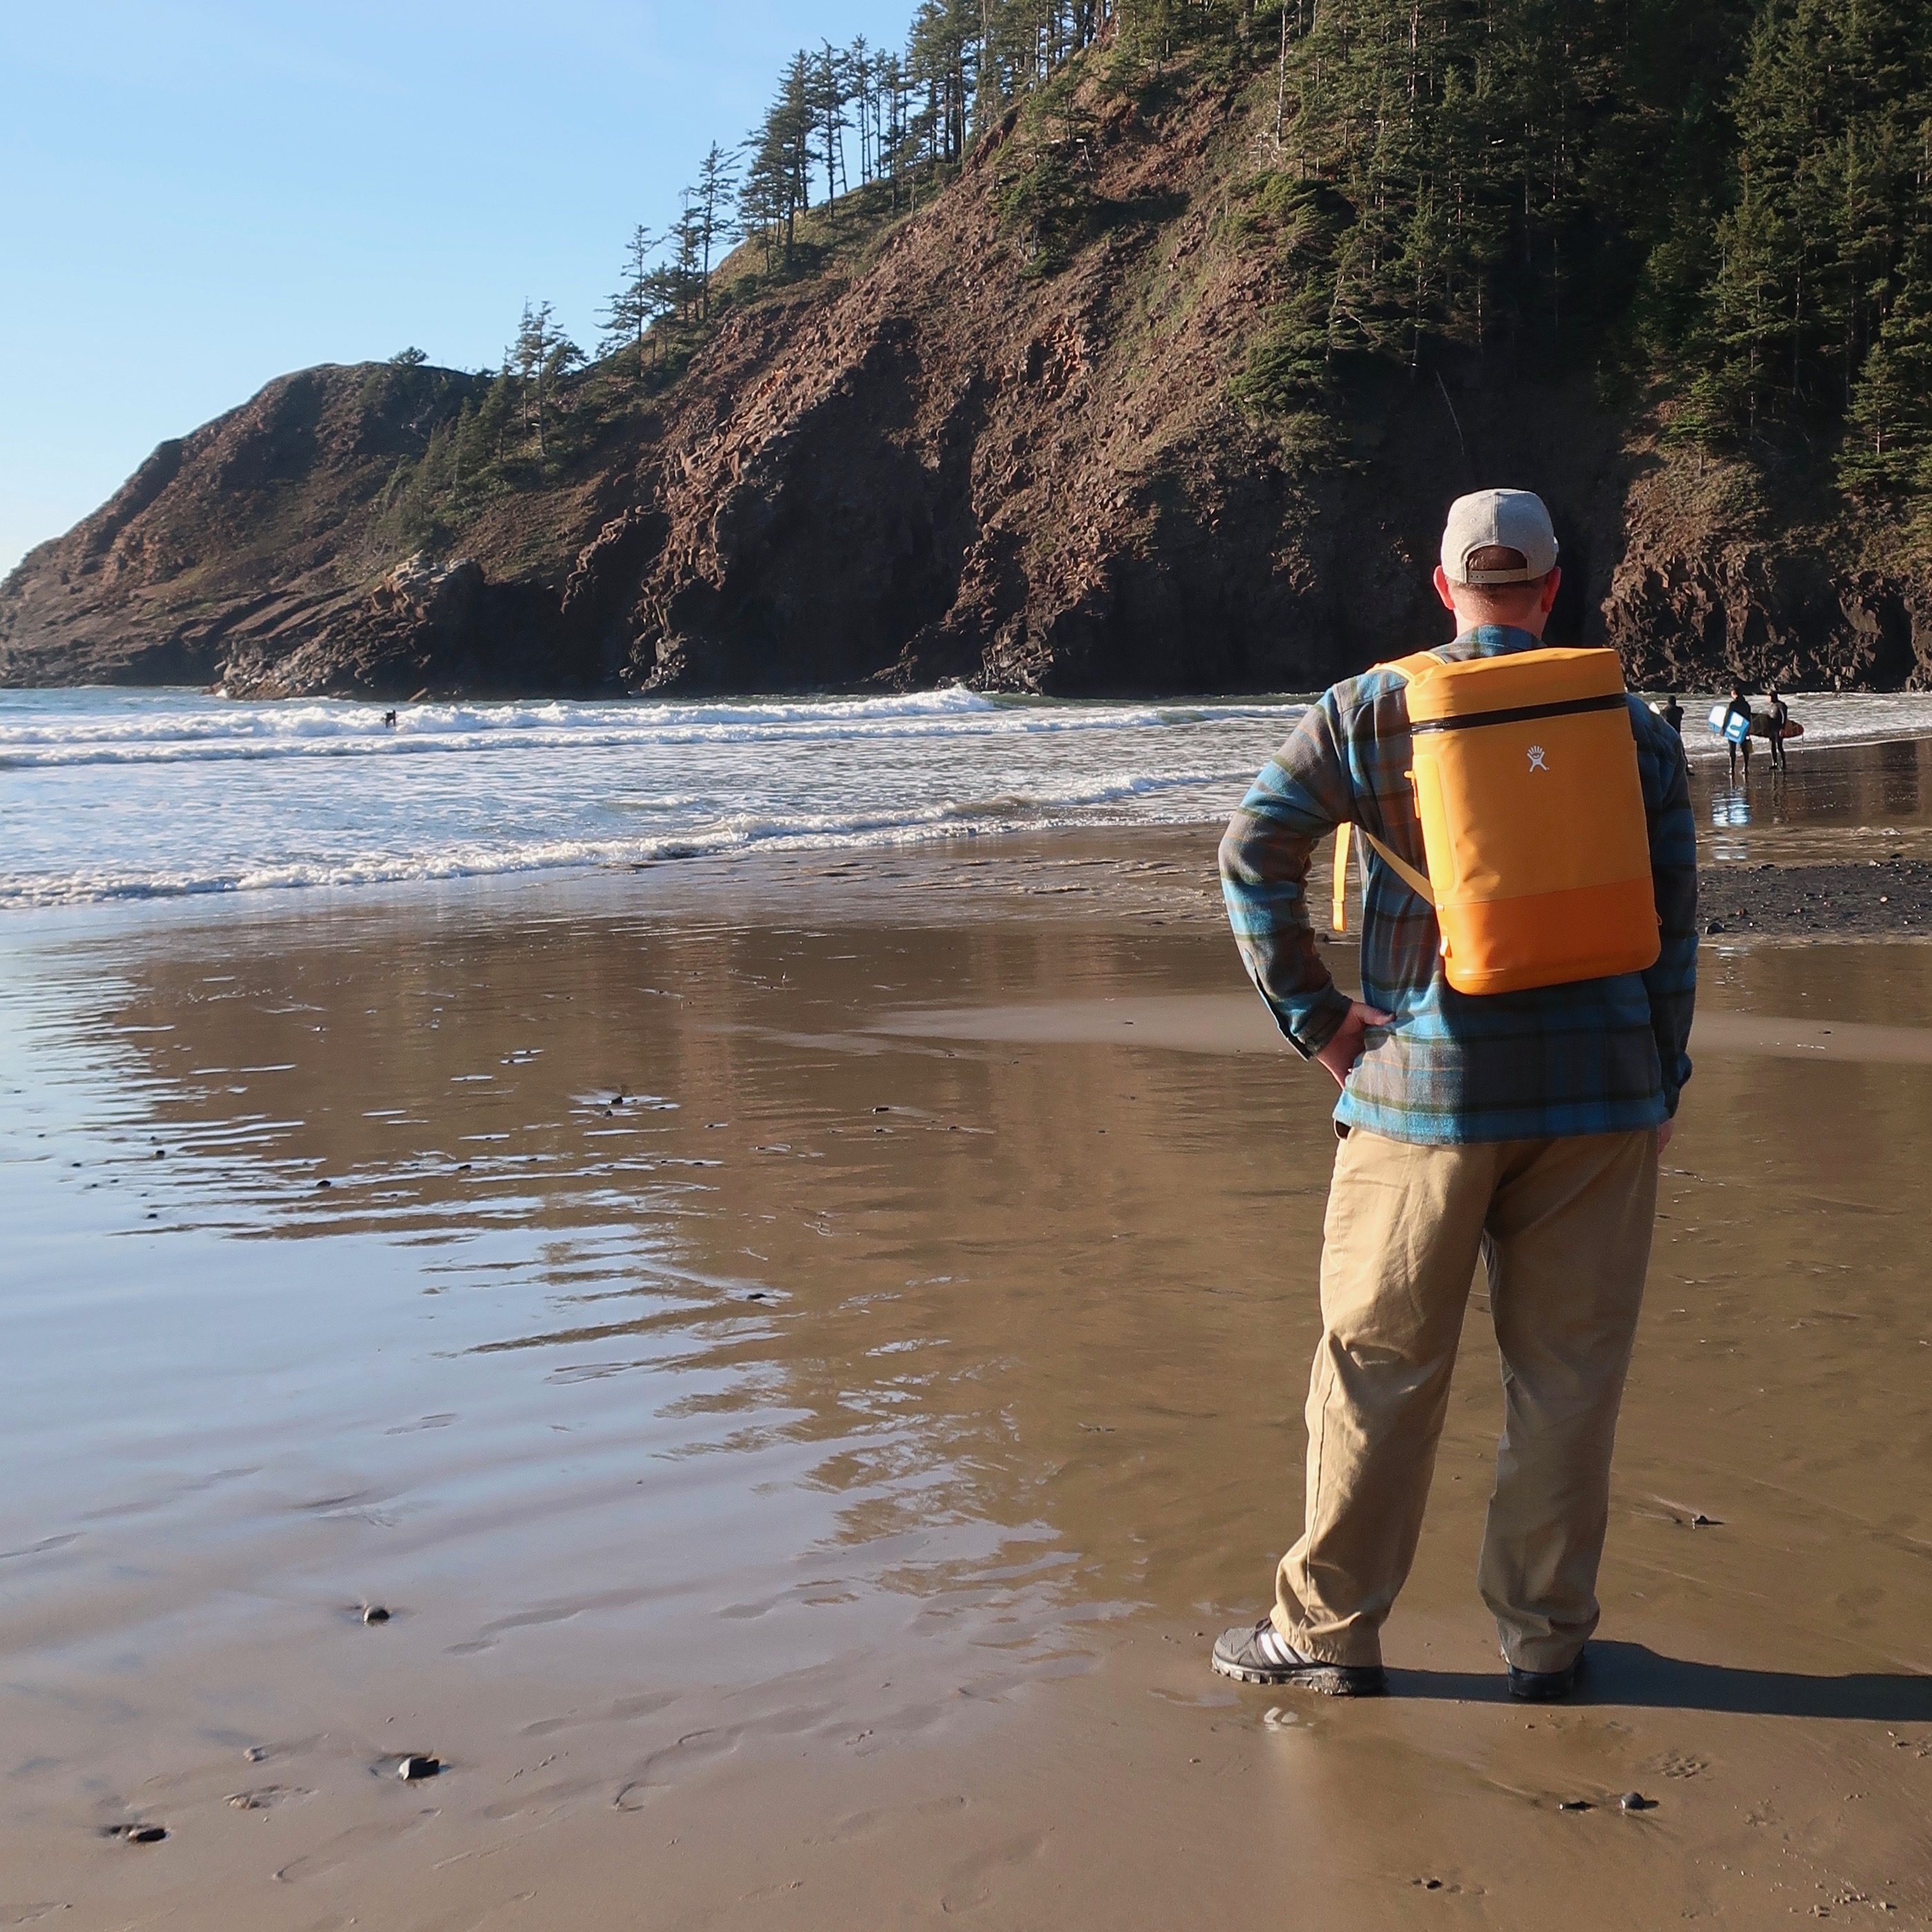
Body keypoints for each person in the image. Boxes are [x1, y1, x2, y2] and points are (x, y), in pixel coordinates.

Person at [1212, 487, 1697, 1701]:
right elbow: (1674, 924)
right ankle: (1542, 1638)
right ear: (1547, 586)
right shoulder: (1626, 725)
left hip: (1418, 1094)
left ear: (1441, 587)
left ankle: (1324, 1635)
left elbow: (1249, 852)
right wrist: (1661, 1067)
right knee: (1567, 1378)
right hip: (1595, 1098)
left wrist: (1316, 1020)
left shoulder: (1369, 709)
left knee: (1377, 1367)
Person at [1722, 684, 1753, 783]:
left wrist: (1723, 727)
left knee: (1732, 749)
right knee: (1745, 749)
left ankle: (1732, 769)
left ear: (1734, 694)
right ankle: (1746, 768)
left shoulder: (1733, 704)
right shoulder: (1746, 704)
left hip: (1733, 729)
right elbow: (1749, 718)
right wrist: (1749, 729)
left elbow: (1727, 717)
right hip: (1743, 728)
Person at [1766, 685, 1790, 771]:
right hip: (1772, 729)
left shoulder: (1781, 705)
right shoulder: (1771, 706)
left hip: (1779, 729)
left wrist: (1782, 728)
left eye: (1770, 697)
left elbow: (1784, 717)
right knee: (1772, 746)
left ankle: (1784, 763)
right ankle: (1775, 763)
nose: (1769, 699)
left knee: (1779, 746)